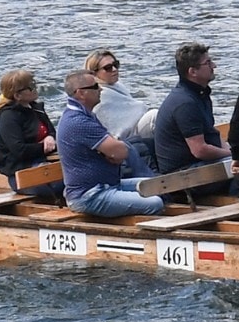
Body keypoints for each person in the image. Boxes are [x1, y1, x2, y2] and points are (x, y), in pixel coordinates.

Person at [58, 69, 163, 218]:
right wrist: (113, 151)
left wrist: (113, 150)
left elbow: (116, 150)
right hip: (89, 195)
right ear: (81, 93)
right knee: (155, 203)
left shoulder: (85, 114)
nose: (100, 89)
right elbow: (120, 152)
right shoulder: (78, 122)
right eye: (95, 87)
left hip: (110, 184)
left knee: (158, 184)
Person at [152, 43, 232, 194]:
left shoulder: (200, 95)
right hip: (184, 178)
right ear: (192, 71)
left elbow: (211, 132)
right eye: (208, 63)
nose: (214, 65)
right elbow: (200, 150)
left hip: (199, 166)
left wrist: (232, 150)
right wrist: (233, 155)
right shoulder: (185, 103)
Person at [0, 68, 62, 196]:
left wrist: (50, 138)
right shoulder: (8, 117)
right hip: (21, 175)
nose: (35, 88)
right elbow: (18, 150)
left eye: (34, 84)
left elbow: (52, 131)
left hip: (45, 163)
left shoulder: (36, 108)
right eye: (31, 86)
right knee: (63, 184)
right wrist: (43, 148)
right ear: (17, 95)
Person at [87, 49, 157, 161]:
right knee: (154, 116)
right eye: (108, 68)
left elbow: (129, 109)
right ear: (95, 73)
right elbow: (114, 128)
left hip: (136, 127)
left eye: (116, 65)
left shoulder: (117, 86)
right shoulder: (100, 94)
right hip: (128, 138)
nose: (114, 70)